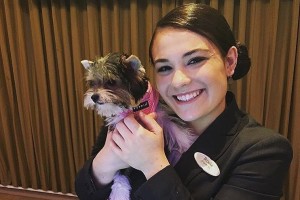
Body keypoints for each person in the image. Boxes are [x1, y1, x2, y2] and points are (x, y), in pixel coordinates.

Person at [75, 3, 293, 200]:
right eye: (165, 68)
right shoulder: (138, 116)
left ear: (229, 61)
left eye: (195, 60)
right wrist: (106, 163)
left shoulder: (263, 151)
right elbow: (85, 190)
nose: (178, 81)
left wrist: (153, 165)